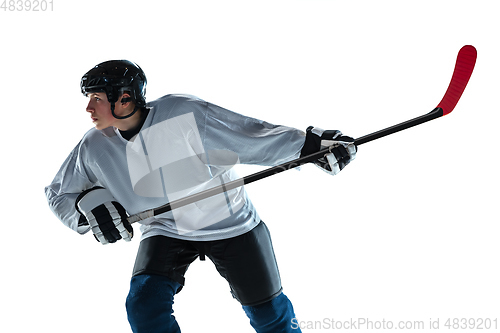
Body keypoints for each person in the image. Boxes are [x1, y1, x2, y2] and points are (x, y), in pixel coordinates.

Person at [45, 60, 356, 333]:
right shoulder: (93, 146)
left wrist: (310, 146)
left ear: (124, 99)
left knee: (270, 315)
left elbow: (251, 134)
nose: (88, 109)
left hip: (232, 224)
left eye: (97, 99)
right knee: (144, 307)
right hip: (165, 229)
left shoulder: (183, 113)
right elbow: (58, 192)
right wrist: (84, 208)